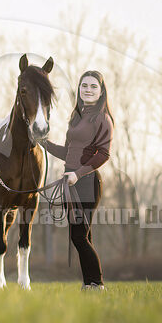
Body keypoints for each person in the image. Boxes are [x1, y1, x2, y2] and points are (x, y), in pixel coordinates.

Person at [41, 70, 114, 291]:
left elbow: (103, 154)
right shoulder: (77, 118)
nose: (88, 90)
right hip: (70, 181)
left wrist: (77, 174)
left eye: (93, 86)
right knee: (83, 236)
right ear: (79, 89)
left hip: (88, 182)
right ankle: (89, 283)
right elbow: (69, 153)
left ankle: (98, 283)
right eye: (84, 86)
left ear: (101, 92)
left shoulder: (102, 119)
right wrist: (44, 143)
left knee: (79, 236)